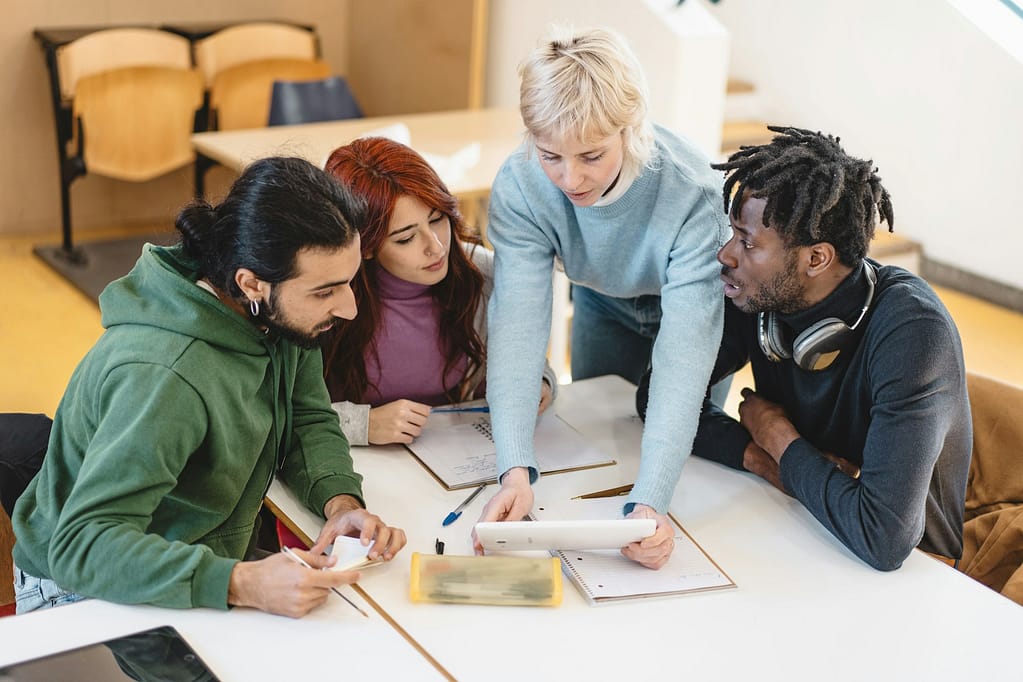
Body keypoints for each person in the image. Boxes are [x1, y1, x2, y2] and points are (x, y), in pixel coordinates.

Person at [11, 156, 407, 617]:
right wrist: (241, 583)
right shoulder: (165, 377)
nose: (349, 308)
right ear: (251, 283)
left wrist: (340, 504)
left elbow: (307, 418)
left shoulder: (275, 315)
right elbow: (84, 547)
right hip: (87, 588)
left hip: (189, 557)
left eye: (348, 282)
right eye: (325, 291)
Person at [660, 126, 972, 570]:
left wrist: (777, 438)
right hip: (801, 527)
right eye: (733, 234)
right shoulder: (756, 294)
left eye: (747, 242)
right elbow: (659, 395)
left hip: (914, 576)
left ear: (816, 259)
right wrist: (764, 461)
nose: (726, 255)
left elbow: (883, 538)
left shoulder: (914, 332)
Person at [478, 26, 729, 569]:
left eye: (591, 155)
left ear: (630, 127)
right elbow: (517, 329)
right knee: (603, 441)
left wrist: (650, 504)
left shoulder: (693, 194)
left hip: (688, 311)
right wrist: (514, 468)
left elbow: (683, 366)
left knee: (690, 457)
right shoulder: (522, 184)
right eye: (551, 155)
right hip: (600, 300)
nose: (570, 178)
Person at [319, 136, 556, 447]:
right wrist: (363, 425)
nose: (436, 246)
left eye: (437, 219)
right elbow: (281, 416)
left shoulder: (481, 275)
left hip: (453, 455)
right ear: (364, 247)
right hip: (356, 464)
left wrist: (539, 383)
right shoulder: (322, 296)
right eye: (406, 238)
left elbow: (534, 362)